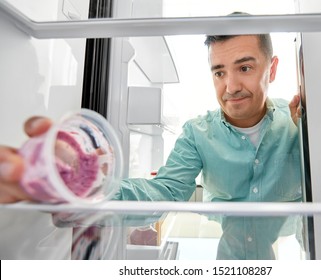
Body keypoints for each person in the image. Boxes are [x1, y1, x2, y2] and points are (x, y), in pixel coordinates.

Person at [0, 33, 302, 259]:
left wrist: (312, 130)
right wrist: (90, 190)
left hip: (296, 242)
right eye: (219, 72)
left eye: (245, 69)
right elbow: (165, 192)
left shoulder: (297, 121)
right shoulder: (197, 133)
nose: (231, 86)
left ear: (271, 70)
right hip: (231, 251)